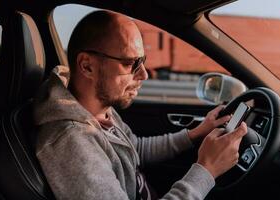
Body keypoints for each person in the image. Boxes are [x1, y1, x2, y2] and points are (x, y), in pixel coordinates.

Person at [33, 10, 247, 200]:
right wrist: (206, 170)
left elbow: (135, 149)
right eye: (130, 63)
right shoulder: (72, 146)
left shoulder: (99, 111)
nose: (144, 74)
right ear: (87, 66)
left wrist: (196, 133)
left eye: (142, 60)